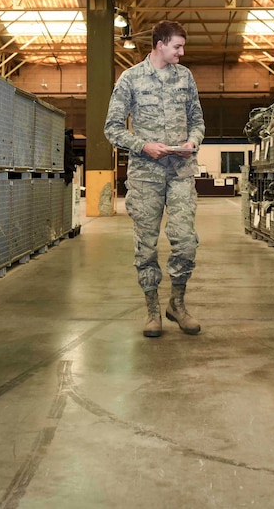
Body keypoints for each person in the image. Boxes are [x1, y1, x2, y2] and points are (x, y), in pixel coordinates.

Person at [104, 20, 205, 337]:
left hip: (180, 171)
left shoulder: (184, 77)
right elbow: (113, 128)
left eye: (182, 46)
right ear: (159, 44)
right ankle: (152, 312)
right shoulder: (130, 79)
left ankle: (177, 304)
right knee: (146, 248)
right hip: (145, 175)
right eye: (177, 46)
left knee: (186, 241)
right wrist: (143, 145)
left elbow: (198, 121)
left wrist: (192, 142)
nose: (182, 51)